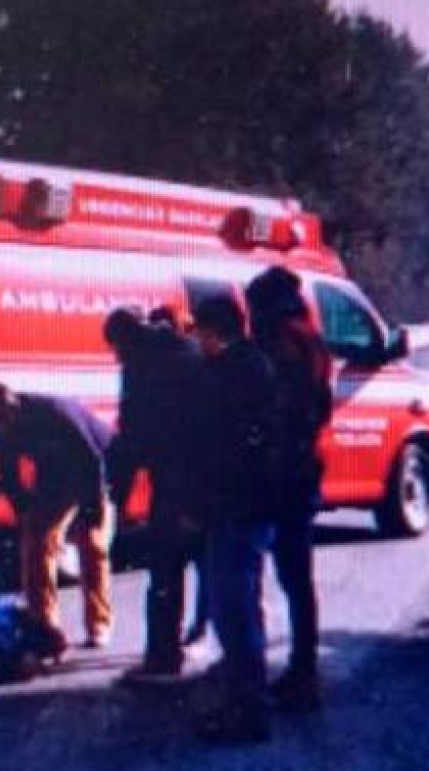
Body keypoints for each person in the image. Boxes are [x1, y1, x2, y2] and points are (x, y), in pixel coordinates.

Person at [246, 266, 334, 713]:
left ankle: (297, 675)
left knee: (280, 572)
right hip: (305, 465)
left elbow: (272, 407)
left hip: (282, 472)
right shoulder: (313, 340)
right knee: (299, 577)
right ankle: (305, 669)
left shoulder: (282, 343)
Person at [191, 294, 278, 744]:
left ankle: (247, 712)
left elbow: (209, 448)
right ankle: (250, 701)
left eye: (199, 331)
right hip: (261, 503)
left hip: (234, 506)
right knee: (247, 605)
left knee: (233, 612)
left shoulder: (222, 375)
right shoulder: (261, 365)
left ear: (211, 331)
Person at [103, 306, 207, 683]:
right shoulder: (188, 348)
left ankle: (163, 656)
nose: (115, 357)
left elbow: (131, 432)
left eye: (114, 348)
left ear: (123, 339)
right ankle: (234, 660)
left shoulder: (141, 362)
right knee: (216, 569)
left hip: (173, 481)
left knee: (165, 570)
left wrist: (117, 495)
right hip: (210, 477)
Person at [0, 383, 115, 648]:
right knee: (36, 542)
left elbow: (91, 459)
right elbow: (10, 475)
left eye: (2, 420)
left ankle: (99, 624)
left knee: (92, 544)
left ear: (14, 406)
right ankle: (44, 626)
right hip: (54, 473)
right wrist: (24, 512)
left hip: (96, 467)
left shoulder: (54, 411)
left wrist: (92, 509)